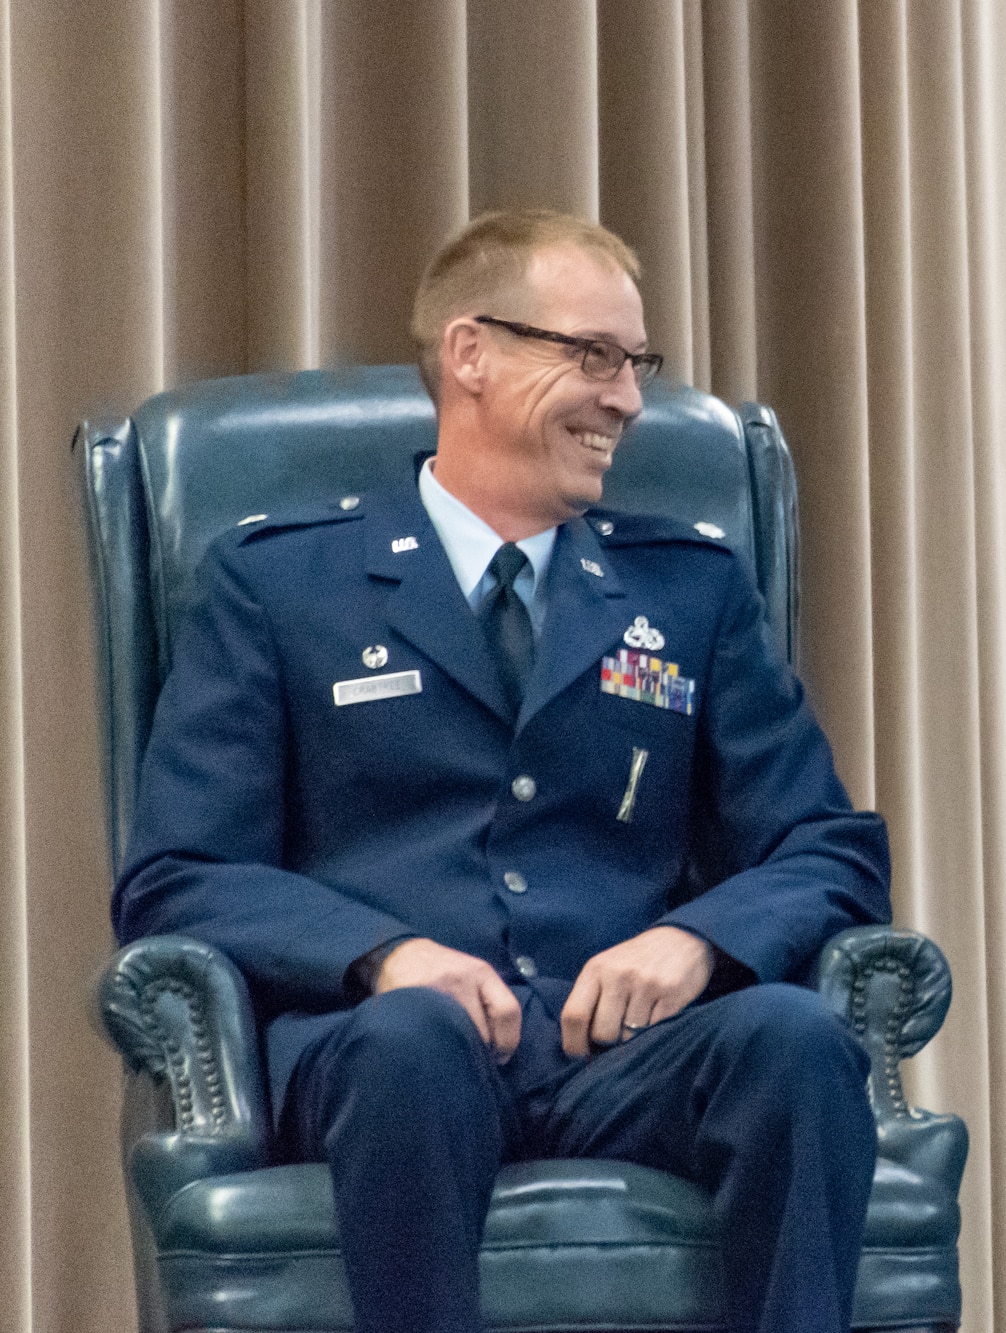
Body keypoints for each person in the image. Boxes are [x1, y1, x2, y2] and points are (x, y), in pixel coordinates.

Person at [113, 209, 892, 1333]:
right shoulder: (281, 585)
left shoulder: (686, 592)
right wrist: (381, 955)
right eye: (592, 356)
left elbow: (827, 845)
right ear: (470, 353)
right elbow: (179, 872)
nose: (625, 397)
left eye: (636, 364)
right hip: (388, 1062)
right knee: (412, 1042)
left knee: (796, 1040)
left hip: (620, 1058)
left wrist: (699, 941)